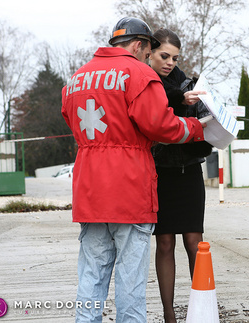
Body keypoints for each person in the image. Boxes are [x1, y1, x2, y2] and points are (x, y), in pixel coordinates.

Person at [61, 18, 205, 323]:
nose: (148, 58)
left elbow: (70, 119)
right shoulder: (138, 73)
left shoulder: (77, 78)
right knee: (130, 283)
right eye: (149, 51)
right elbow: (160, 125)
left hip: (90, 192)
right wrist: (194, 128)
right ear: (139, 46)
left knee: (91, 278)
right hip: (129, 191)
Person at [149, 28, 213, 323]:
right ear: (149, 51)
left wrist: (213, 128)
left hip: (189, 173)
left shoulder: (190, 84)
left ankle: (201, 308)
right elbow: (157, 110)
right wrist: (179, 101)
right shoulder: (142, 82)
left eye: (174, 57)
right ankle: (169, 313)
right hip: (159, 173)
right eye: (164, 55)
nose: (170, 62)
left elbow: (200, 124)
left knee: (194, 241)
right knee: (164, 243)